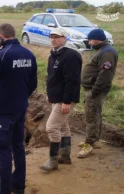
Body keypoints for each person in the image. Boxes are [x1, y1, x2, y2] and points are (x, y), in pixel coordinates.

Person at [0, 23, 37, 194]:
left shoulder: (0, 55)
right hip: (20, 107)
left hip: (4, 110)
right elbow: (33, 84)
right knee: (18, 146)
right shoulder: (29, 54)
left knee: (2, 148)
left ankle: (2, 189)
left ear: (1, 37)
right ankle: (18, 185)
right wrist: (20, 97)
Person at [40, 28, 82, 172]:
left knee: (51, 127)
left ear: (65, 38)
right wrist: (50, 95)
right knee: (63, 126)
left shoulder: (71, 56)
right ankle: (65, 156)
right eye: (51, 36)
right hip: (57, 97)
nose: (53, 39)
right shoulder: (53, 54)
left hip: (66, 98)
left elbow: (72, 81)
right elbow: (52, 77)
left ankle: (53, 160)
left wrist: (66, 102)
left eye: (57, 37)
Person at [78, 28, 118, 158]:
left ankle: (89, 144)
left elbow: (105, 74)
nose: (89, 42)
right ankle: (94, 139)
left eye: (90, 39)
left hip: (95, 90)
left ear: (97, 39)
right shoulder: (100, 50)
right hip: (91, 88)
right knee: (95, 114)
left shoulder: (107, 52)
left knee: (91, 116)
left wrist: (95, 90)